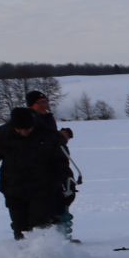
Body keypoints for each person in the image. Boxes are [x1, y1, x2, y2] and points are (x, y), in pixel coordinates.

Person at [0, 107, 67, 239]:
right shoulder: (0, 135)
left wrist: (63, 183)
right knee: (20, 227)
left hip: (42, 188)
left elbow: (61, 161)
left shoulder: (47, 134)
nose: (24, 132)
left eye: (28, 128)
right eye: (20, 129)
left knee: (39, 225)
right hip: (13, 189)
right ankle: (22, 257)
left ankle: (43, 257)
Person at [24, 89, 78, 239]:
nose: (45, 104)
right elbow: (42, 142)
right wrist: (60, 137)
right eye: (40, 102)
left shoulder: (47, 117)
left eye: (46, 101)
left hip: (59, 164)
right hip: (45, 170)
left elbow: (52, 138)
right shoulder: (30, 120)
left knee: (66, 196)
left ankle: (63, 236)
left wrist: (61, 136)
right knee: (53, 203)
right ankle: (55, 239)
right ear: (31, 105)